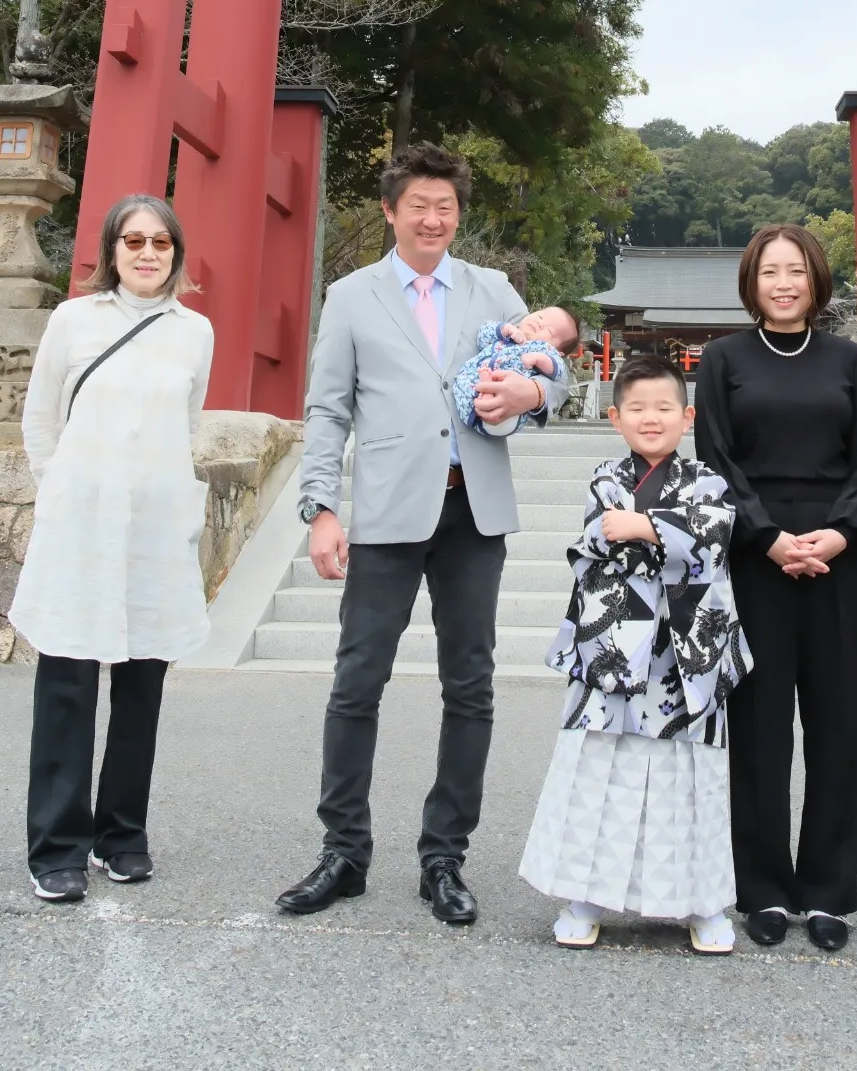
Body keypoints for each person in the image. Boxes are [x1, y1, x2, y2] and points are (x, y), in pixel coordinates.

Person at [276, 142, 572, 922]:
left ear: (457, 214)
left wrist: (531, 392)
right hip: (384, 512)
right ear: (390, 210)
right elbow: (327, 410)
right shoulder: (352, 295)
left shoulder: (492, 287)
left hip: (471, 510)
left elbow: (550, 367)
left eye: (446, 207)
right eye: (420, 206)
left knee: (469, 687)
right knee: (356, 683)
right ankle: (343, 851)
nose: (434, 218)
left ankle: (445, 857)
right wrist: (322, 508)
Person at [10, 195, 213, 904]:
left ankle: (121, 834)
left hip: (154, 528)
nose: (148, 253)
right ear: (111, 250)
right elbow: (40, 418)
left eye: (160, 242)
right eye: (133, 241)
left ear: (176, 252)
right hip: (82, 522)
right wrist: (61, 492)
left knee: (141, 685)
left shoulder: (196, 332)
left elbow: (186, 424)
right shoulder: (74, 320)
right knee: (67, 683)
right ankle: (57, 847)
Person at [693, 223, 857, 953]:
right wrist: (767, 537)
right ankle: (764, 889)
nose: (783, 282)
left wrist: (841, 535)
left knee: (836, 724)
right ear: (752, 281)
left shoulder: (849, 360)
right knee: (760, 726)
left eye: (795, 271)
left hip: (836, 555)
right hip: (754, 557)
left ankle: (831, 891)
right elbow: (715, 457)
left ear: (815, 281)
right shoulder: (722, 359)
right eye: (770, 271)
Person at [519, 354, 751, 953]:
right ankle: (585, 896)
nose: (652, 420)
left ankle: (702, 905)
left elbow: (712, 542)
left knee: (689, 779)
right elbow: (599, 538)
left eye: (665, 408)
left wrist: (645, 528)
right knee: (601, 769)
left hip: (685, 660)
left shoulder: (710, 483)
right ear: (616, 418)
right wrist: (665, 533)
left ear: (688, 415)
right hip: (614, 651)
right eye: (638, 410)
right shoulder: (604, 477)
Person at [451, 305, 581, 431]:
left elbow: (557, 370)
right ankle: (485, 392)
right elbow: (483, 336)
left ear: (559, 351)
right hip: (470, 382)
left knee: (504, 416)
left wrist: (540, 359)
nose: (540, 324)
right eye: (540, 316)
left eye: (550, 331)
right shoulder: (507, 335)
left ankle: (488, 395)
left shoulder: (544, 349)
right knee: (465, 382)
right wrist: (504, 329)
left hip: (508, 400)